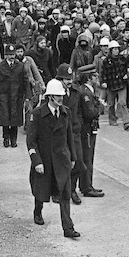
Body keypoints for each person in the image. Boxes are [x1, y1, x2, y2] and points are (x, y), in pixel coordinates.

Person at [27, 79, 80, 239]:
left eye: (62, 96)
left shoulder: (66, 112)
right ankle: (38, 211)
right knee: (41, 191)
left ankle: (68, 228)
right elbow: (31, 141)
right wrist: (37, 161)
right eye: (58, 96)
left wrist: (72, 157)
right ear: (50, 97)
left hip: (62, 160)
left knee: (65, 194)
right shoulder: (37, 115)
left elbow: (69, 136)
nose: (61, 99)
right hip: (44, 161)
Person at [55, 63, 84, 205]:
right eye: (66, 79)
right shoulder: (54, 93)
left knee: (77, 162)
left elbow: (79, 111)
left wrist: (78, 124)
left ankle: (72, 189)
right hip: (59, 133)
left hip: (74, 132)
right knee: (60, 164)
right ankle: (59, 191)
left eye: (70, 79)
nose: (69, 82)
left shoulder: (75, 92)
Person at [77, 64, 106, 198]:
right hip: (87, 128)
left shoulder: (87, 90)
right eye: (94, 76)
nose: (96, 77)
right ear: (89, 78)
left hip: (89, 127)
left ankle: (87, 184)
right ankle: (86, 187)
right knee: (87, 157)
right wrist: (99, 106)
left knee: (88, 156)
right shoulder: (85, 92)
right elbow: (90, 113)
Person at [0, 44, 27, 147]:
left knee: (15, 119)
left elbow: (25, 81)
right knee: (5, 118)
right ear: (5, 55)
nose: (12, 57)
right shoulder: (0, 67)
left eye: (13, 54)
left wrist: (27, 95)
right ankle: (6, 138)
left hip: (16, 96)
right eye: (9, 55)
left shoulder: (20, 66)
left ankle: (14, 139)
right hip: (4, 96)